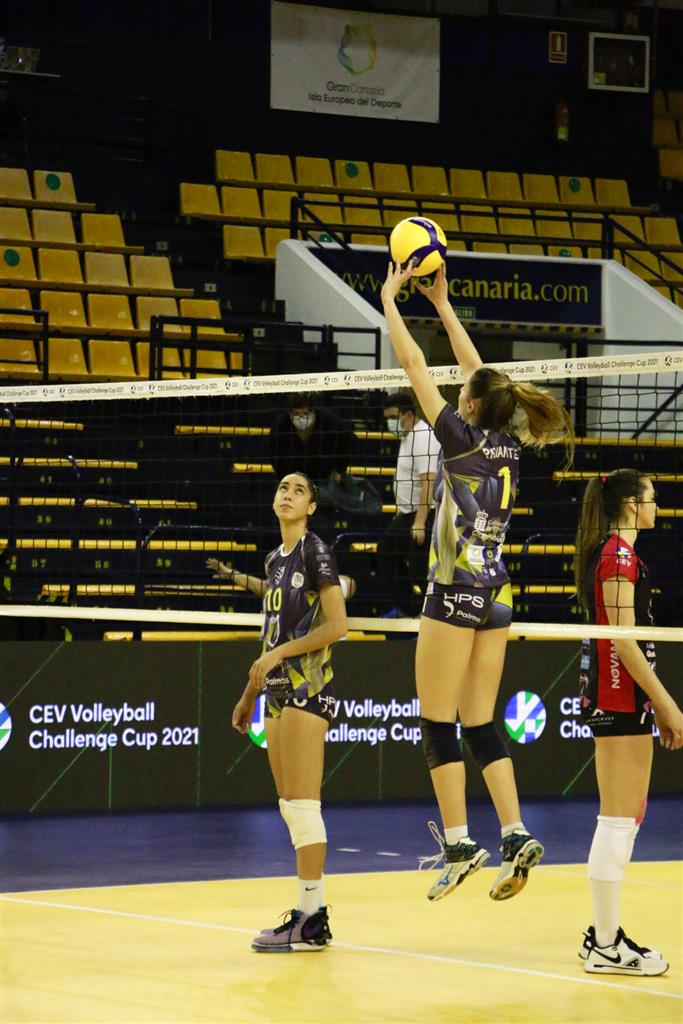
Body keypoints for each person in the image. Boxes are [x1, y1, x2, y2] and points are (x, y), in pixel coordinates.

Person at [381, 260, 574, 902]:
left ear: (467, 406)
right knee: (479, 720)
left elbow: (414, 366)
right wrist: (442, 305)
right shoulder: (508, 442)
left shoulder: (460, 439)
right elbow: (483, 378)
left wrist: (390, 299)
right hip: (497, 590)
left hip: (454, 586)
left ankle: (461, 844)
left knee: (437, 722)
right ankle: (515, 833)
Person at [207, 472, 349, 952]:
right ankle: (310, 915)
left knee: (305, 807)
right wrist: (249, 694)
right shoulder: (273, 560)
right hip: (275, 692)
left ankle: (311, 920)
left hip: (309, 687)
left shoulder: (315, 551)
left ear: (311, 507)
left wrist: (280, 654)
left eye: (299, 491)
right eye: (283, 489)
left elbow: (338, 625)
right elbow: (270, 637)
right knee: (289, 806)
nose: (288, 495)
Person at [573, 469, 683, 976]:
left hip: (623, 695)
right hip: (616, 694)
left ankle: (604, 935)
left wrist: (652, 701)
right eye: (652, 497)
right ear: (633, 505)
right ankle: (604, 943)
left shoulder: (619, 553)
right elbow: (622, 640)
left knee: (627, 816)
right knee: (617, 819)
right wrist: (666, 703)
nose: (657, 505)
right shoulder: (617, 555)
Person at [377, 392, 440, 616]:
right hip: (406, 514)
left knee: (419, 569)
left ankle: (428, 613)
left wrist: (420, 522)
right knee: (387, 555)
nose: (390, 423)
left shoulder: (423, 436)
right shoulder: (408, 435)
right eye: (387, 418)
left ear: (409, 414)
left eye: (394, 417)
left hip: (422, 515)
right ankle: (412, 610)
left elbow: (428, 481)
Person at [268, 394, 356, 491]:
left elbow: (351, 443)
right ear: (290, 414)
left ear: (313, 411)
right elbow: (272, 454)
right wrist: (284, 478)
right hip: (294, 479)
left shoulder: (329, 420)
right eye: (297, 413)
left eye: (305, 413)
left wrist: (339, 469)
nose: (301, 417)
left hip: (326, 479)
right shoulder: (280, 426)